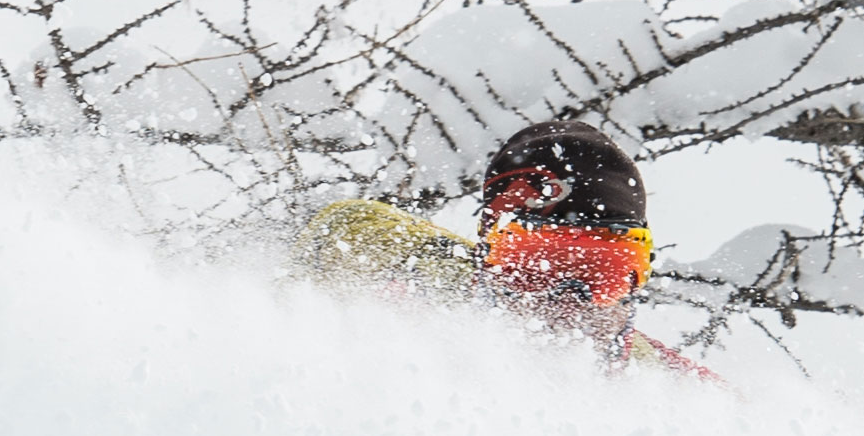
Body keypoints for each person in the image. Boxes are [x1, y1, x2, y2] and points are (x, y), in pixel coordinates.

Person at [296, 118, 716, 378]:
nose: (569, 299)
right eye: (536, 266)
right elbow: (345, 224)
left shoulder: (663, 383)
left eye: (602, 271)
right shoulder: (423, 293)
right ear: (486, 262)